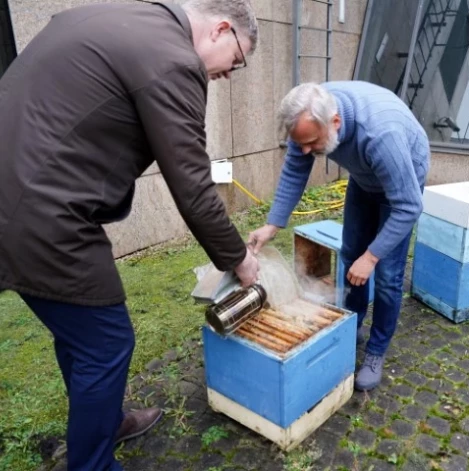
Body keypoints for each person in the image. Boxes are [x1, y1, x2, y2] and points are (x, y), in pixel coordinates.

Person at [0, 0, 259, 469]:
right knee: (106, 342)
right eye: (236, 62)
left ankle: (103, 420)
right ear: (222, 29)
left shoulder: (112, 18)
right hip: (40, 211)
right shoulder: (175, 60)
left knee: (81, 333)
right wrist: (239, 260)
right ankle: (93, 461)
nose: (227, 75)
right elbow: (193, 187)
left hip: (20, 197)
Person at [249, 81, 430, 391]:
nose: (306, 151)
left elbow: (409, 207)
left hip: (402, 184)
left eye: (312, 143)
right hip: (364, 179)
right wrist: (272, 225)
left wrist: (372, 257)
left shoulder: (380, 134)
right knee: (350, 253)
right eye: (300, 143)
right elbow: (295, 170)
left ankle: (376, 352)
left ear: (335, 123)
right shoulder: (306, 118)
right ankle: (353, 323)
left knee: (386, 275)